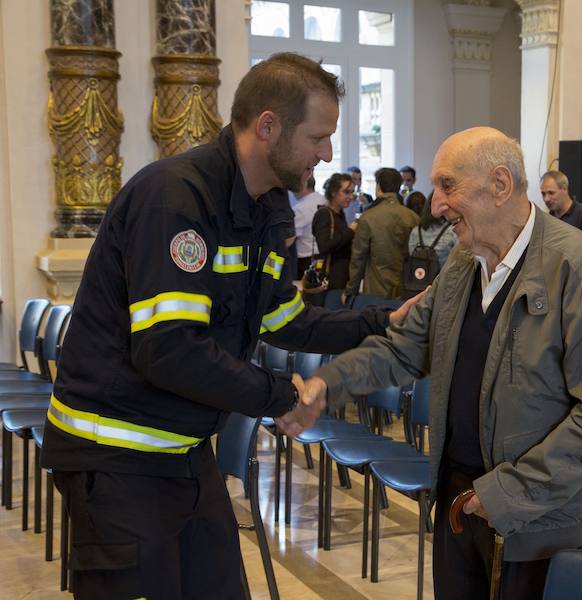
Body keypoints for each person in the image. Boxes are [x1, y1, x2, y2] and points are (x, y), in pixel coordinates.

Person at [39, 53, 418, 599]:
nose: (327, 153)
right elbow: (167, 349)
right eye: (319, 136)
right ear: (269, 127)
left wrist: (381, 320)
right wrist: (282, 394)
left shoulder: (266, 209)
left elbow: (284, 319)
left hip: (186, 451)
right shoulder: (177, 198)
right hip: (117, 459)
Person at [303, 127, 582, 600]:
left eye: (448, 185)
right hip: (459, 495)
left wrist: (503, 495)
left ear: (500, 185)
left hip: (536, 518)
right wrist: (325, 386)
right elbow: (403, 347)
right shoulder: (463, 261)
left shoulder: (576, 266)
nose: (436, 204)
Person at [344, 167, 420, 301]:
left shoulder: (367, 217)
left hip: (375, 289)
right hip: (406, 289)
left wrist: (351, 290)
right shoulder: (413, 217)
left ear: (378, 187)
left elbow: (358, 258)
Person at [312, 172, 358, 296]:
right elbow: (325, 246)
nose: (350, 196)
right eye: (346, 192)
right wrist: (350, 231)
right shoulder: (324, 214)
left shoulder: (339, 214)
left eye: (352, 192)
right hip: (331, 278)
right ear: (333, 192)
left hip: (340, 276)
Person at [407, 192, 458, 268]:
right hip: (443, 277)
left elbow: (411, 253)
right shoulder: (452, 231)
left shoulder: (416, 231)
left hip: (419, 277)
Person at [539, 170, 582, 235]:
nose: (546, 199)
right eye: (543, 194)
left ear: (564, 189)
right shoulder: (548, 217)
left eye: (551, 193)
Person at [290, 175, 325, 277]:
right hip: (323, 256)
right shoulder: (323, 200)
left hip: (306, 260)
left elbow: (290, 238)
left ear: (303, 184)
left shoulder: (300, 209)